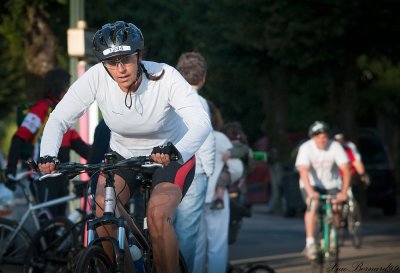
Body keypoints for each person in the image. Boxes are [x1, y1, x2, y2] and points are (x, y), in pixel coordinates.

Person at [37, 21, 211, 273]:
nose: (120, 69)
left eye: (126, 59)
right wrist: (48, 153)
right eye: (111, 62)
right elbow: (59, 117)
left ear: (139, 55)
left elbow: (200, 122)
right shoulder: (97, 77)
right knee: (100, 206)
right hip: (124, 156)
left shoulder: (165, 76)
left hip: (170, 157)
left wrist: (177, 150)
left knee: (158, 215)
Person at [6, 68, 90, 217]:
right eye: (66, 85)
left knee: (61, 223)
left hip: (61, 176)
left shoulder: (63, 113)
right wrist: (10, 169)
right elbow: (19, 137)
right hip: (42, 176)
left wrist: (103, 160)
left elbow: (79, 145)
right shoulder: (42, 108)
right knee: (47, 221)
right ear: (58, 87)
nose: (69, 89)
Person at [173, 51, 215, 272]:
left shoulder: (169, 96)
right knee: (187, 233)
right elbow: (206, 140)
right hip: (193, 171)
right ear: (203, 77)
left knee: (163, 228)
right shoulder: (199, 102)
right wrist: (208, 170)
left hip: (164, 169)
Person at [193, 101, 243, 273]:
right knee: (217, 246)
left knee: (196, 248)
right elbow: (237, 168)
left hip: (191, 198)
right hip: (217, 198)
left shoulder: (183, 136)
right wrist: (224, 180)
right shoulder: (220, 138)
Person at [295, 121, 351, 261]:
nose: (322, 140)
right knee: (312, 205)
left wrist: (343, 191)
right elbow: (303, 171)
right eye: (318, 137)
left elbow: (346, 169)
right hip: (312, 184)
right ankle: (310, 243)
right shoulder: (306, 148)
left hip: (331, 183)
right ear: (312, 137)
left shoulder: (335, 146)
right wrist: (310, 192)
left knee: (337, 206)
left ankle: (333, 234)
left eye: (325, 137)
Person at [211, 121, 249, 210]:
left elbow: (242, 150)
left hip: (235, 180)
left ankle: (219, 200)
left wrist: (230, 153)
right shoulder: (223, 142)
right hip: (226, 176)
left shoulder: (240, 146)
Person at [333, 132, 369, 217]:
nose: (340, 142)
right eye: (337, 140)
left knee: (351, 190)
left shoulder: (349, 147)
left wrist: (362, 175)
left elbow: (356, 162)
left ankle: (353, 209)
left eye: (341, 140)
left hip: (349, 174)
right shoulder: (331, 148)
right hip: (336, 177)